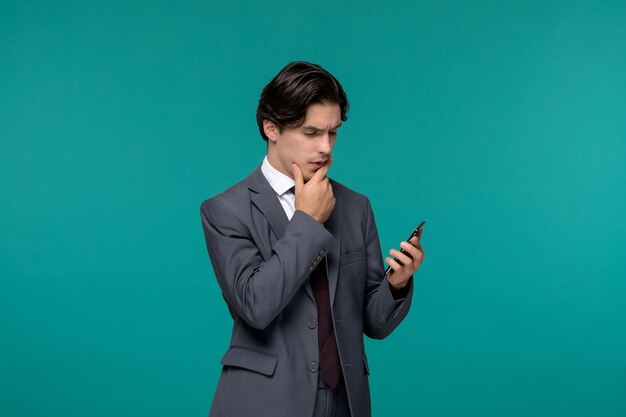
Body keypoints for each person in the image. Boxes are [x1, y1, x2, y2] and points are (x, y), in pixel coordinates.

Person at [200, 61, 425, 417]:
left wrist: (396, 285)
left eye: (332, 133)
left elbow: (373, 322)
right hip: (265, 400)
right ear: (271, 128)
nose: (325, 147)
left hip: (344, 401)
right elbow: (255, 306)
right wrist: (307, 219)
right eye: (311, 132)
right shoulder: (225, 210)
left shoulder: (356, 206)